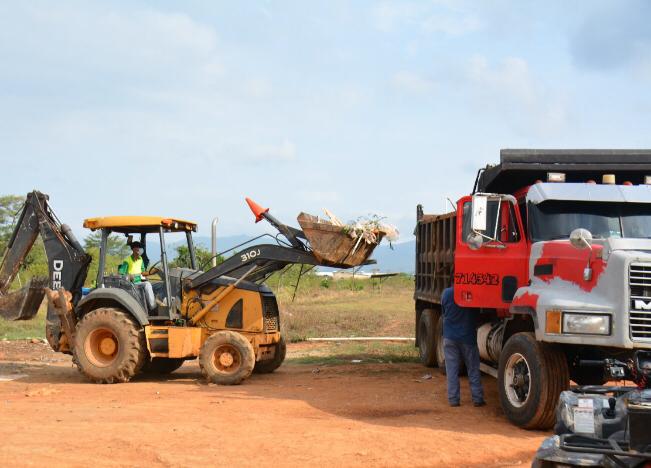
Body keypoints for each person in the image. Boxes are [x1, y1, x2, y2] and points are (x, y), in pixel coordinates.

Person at [441, 286, 485, 407]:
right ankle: (478, 399)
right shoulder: (472, 293)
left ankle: (454, 400)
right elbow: (478, 315)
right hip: (468, 337)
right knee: (473, 368)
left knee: (452, 370)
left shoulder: (446, 293)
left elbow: (444, 312)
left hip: (450, 337)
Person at [118, 241, 156, 310]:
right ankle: (153, 307)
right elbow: (121, 273)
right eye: (137, 248)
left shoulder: (140, 259)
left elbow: (143, 272)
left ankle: (151, 305)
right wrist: (129, 276)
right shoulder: (127, 260)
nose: (139, 249)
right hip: (131, 284)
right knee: (147, 284)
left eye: (139, 248)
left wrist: (152, 272)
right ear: (133, 249)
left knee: (154, 285)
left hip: (139, 282)